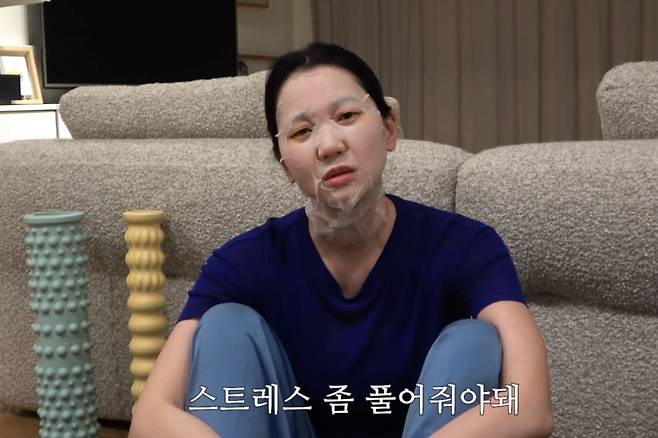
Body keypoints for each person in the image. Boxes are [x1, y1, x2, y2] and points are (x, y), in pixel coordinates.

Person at [129, 42, 554, 438]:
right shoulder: (245, 261)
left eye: (347, 116)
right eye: (302, 132)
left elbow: (531, 405)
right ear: (284, 164)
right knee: (224, 326)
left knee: (474, 340)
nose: (329, 145)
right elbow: (150, 418)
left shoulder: (465, 245)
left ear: (389, 128)